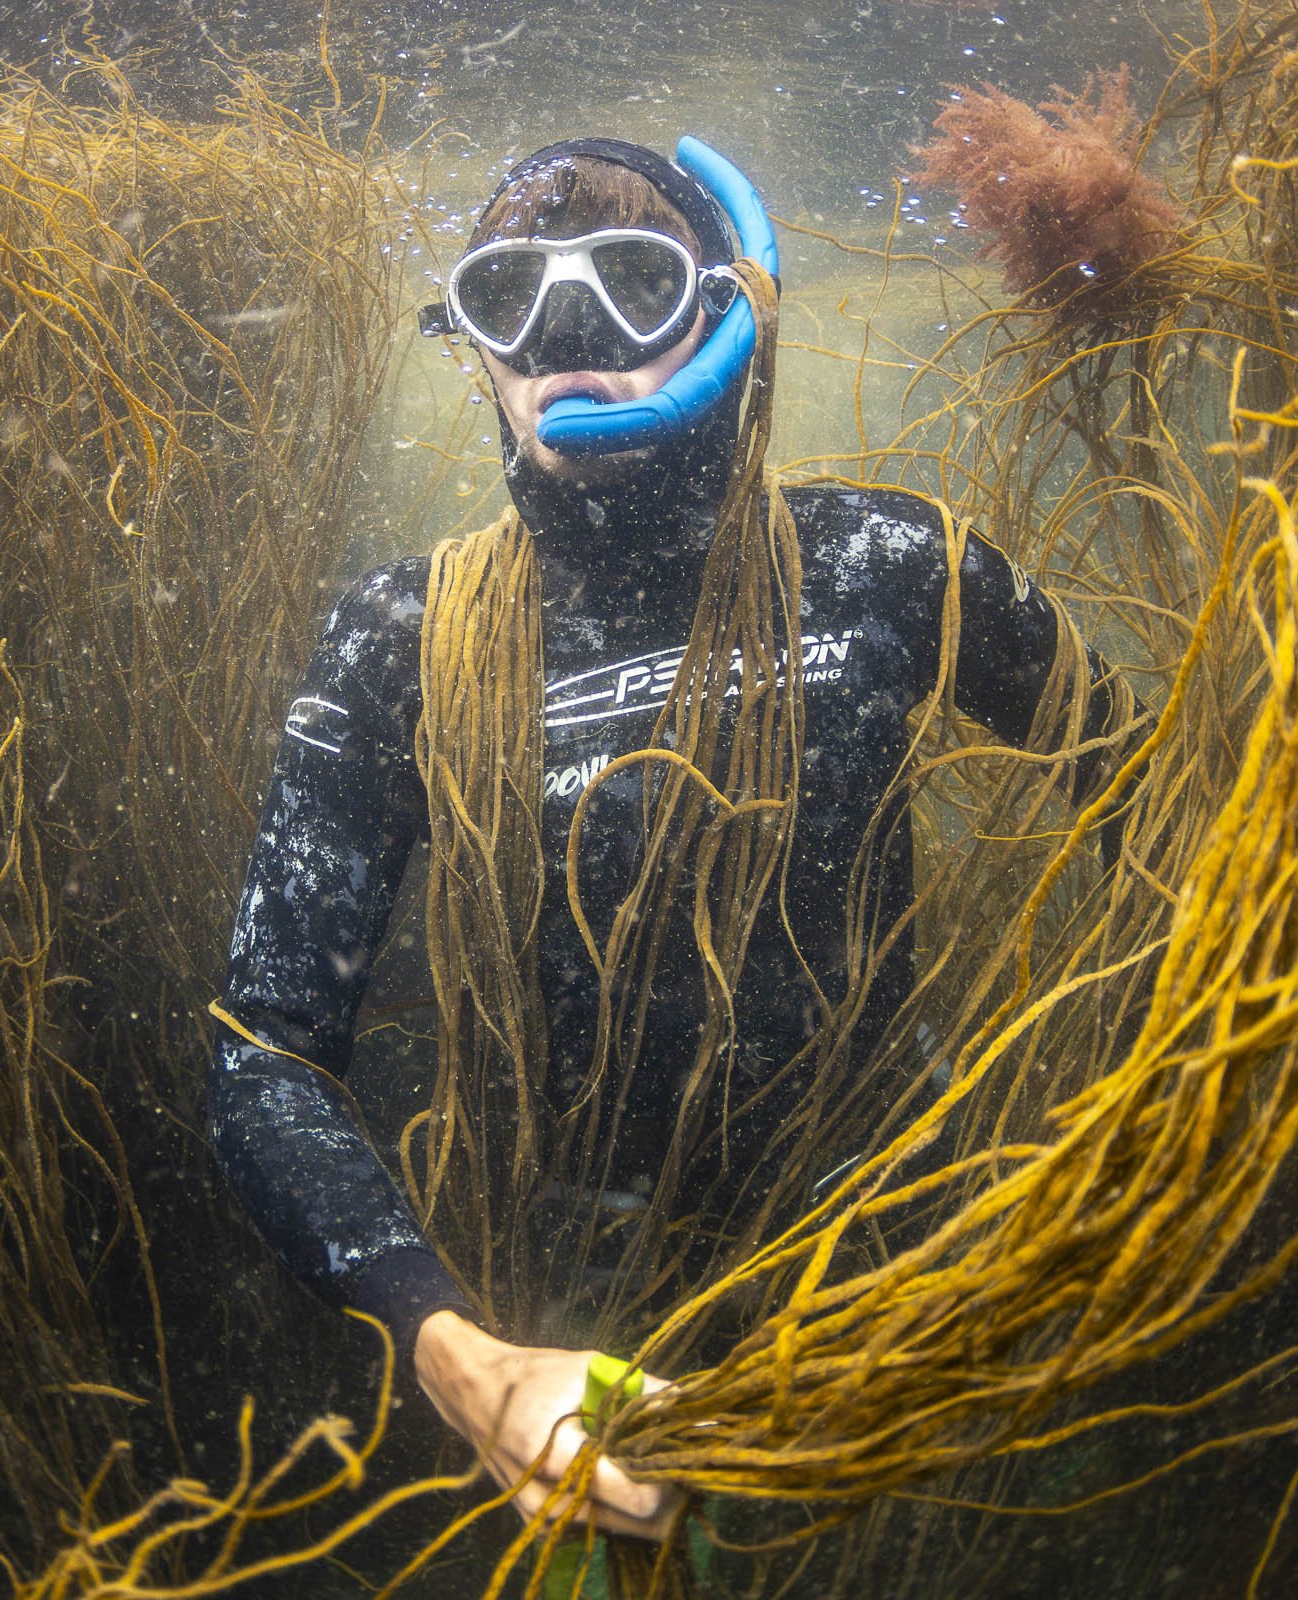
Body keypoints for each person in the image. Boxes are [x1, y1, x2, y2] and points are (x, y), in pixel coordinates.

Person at [207, 135, 1136, 1540]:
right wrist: (461, 1354)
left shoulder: (887, 568)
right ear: (470, 346)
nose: (566, 335)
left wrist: (1119, 1118)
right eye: (510, 294)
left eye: (632, 284)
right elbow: (262, 1052)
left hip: (919, 1260)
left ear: (724, 321)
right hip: (573, 1294)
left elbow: (1151, 784)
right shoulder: (399, 646)